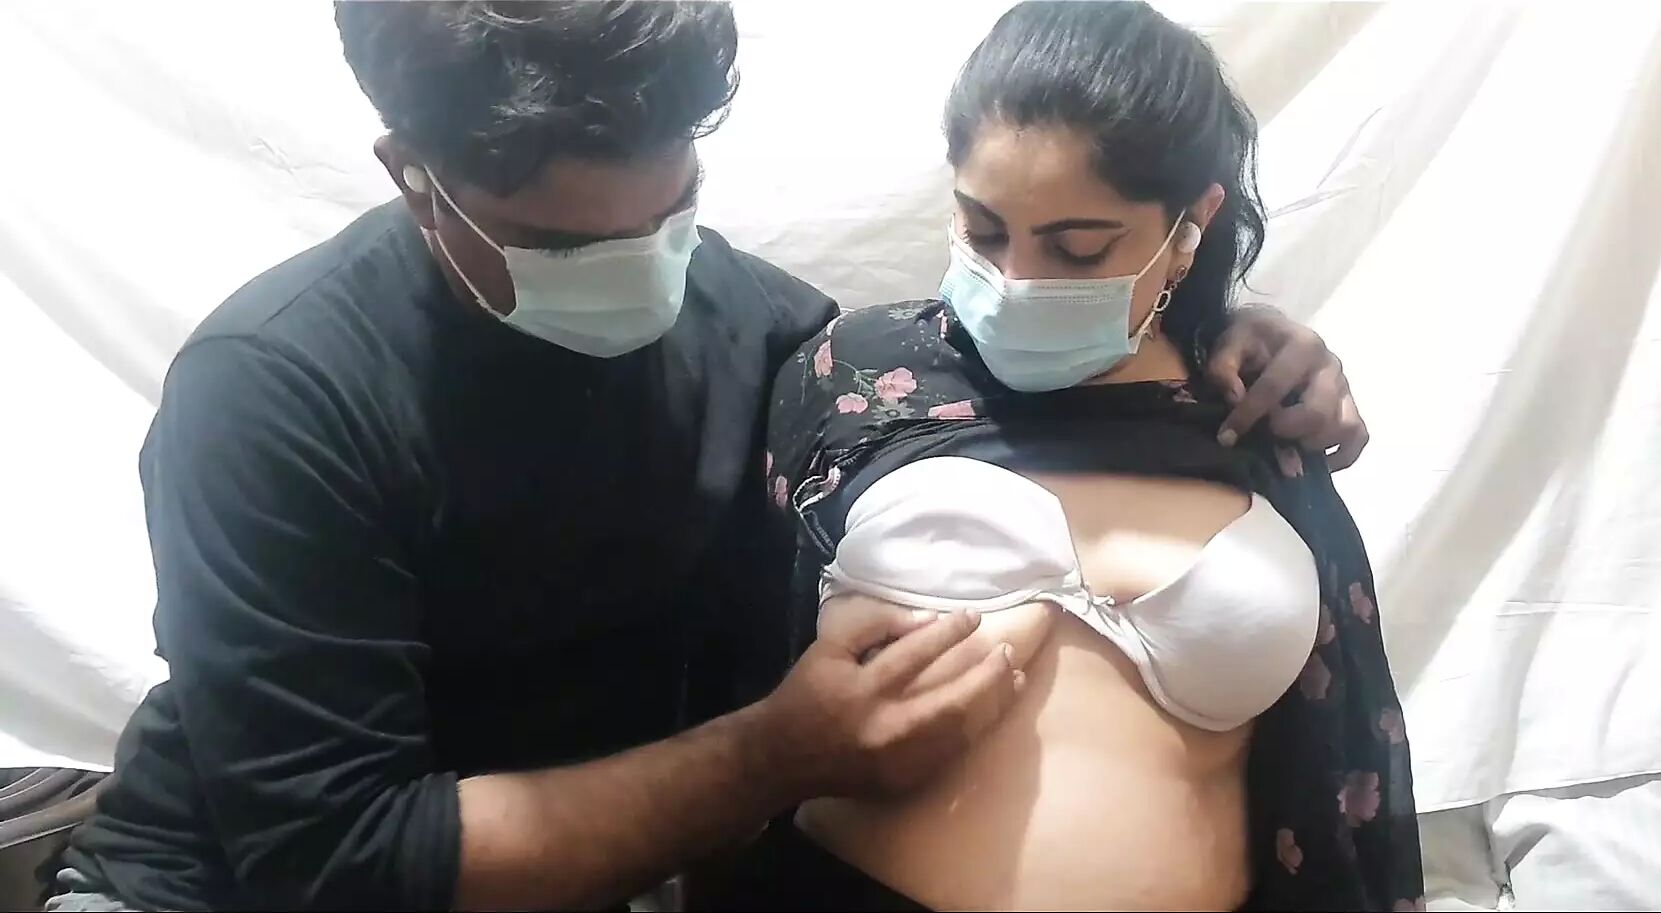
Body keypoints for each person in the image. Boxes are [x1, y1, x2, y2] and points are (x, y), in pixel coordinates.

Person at [44, 3, 1370, 911]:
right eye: (561, 246)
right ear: (412, 175)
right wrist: (774, 755)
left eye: (670, 213)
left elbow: (993, 387)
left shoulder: (770, 334)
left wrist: (1226, 335)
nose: (637, 271)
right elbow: (341, 863)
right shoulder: (274, 394)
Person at [690, 4, 1421, 911]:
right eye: (983, 229)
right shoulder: (860, 378)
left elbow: (1336, 740)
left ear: (1189, 227)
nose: (1017, 281)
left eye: (1079, 248)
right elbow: (727, 654)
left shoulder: (1254, 408)